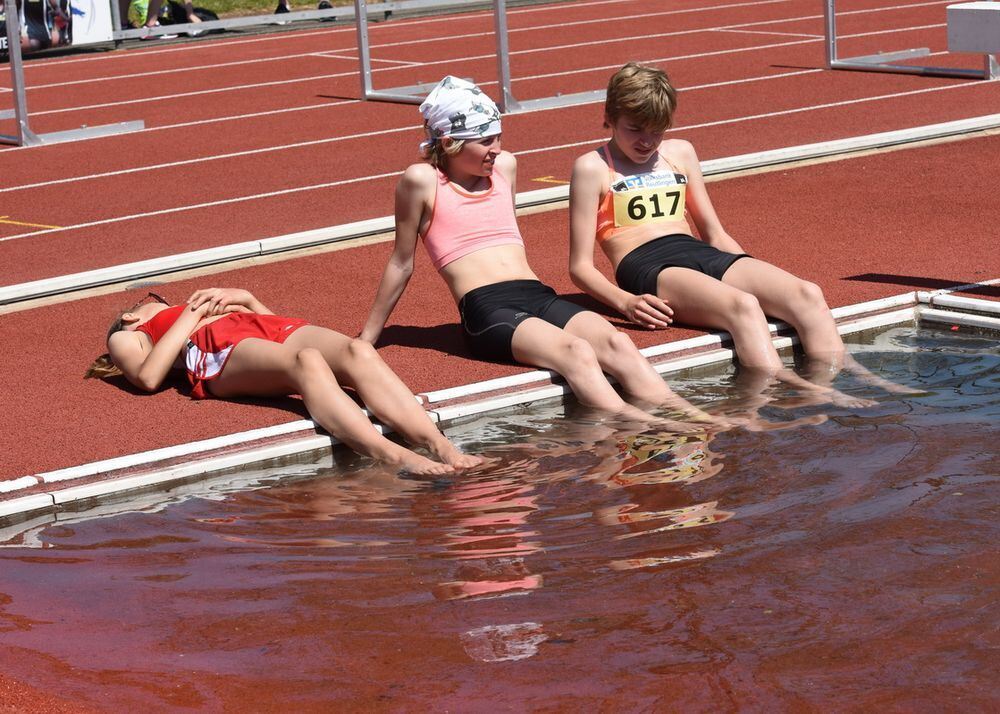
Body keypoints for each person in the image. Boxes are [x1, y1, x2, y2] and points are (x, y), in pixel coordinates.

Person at [359, 76, 711, 426]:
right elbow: (402, 263)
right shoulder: (421, 181)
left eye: (498, 137)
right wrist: (367, 338)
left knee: (616, 343)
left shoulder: (505, 167)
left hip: (535, 294)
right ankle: (653, 428)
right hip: (487, 308)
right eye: (485, 141)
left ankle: (698, 420)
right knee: (576, 352)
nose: (495, 148)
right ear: (450, 142)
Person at [569, 62, 881, 407]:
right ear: (610, 117)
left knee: (807, 294)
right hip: (647, 265)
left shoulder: (680, 153)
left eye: (657, 131)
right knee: (743, 307)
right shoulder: (592, 167)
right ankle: (768, 406)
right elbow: (580, 267)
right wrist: (625, 302)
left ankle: (828, 390)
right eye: (635, 129)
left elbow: (714, 233)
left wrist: (754, 273)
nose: (647, 141)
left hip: (699, 252)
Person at [86, 287, 482, 475]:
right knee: (306, 362)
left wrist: (248, 298)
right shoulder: (126, 334)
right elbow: (149, 377)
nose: (152, 298)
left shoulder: (177, 311)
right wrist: (190, 315)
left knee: (357, 350)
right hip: (213, 346)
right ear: (130, 317)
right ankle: (390, 454)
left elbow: (271, 332)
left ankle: (440, 444)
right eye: (144, 299)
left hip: (252, 325)